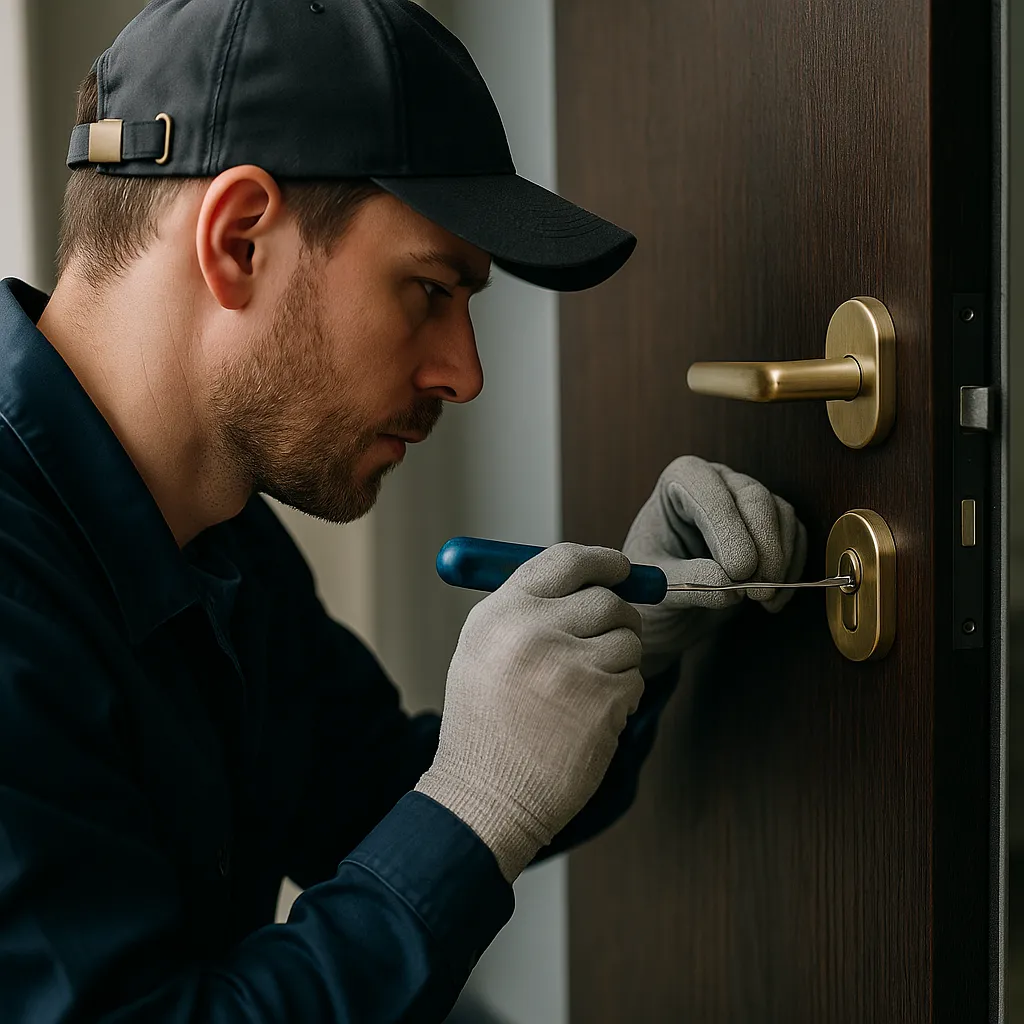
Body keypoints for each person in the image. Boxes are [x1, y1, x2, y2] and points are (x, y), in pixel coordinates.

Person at [0, 1, 807, 1021]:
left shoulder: (211, 529)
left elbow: (378, 802)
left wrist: (629, 648)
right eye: (429, 290)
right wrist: (476, 803)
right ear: (239, 240)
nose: (464, 372)